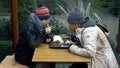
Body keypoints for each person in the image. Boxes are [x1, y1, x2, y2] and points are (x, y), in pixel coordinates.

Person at [15, 2, 55, 68]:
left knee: (52, 59)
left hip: (31, 52)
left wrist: (46, 39)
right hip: (24, 55)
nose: (47, 21)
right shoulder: (29, 27)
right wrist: (44, 33)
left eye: (48, 19)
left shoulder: (39, 24)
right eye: (45, 19)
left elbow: (38, 36)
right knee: (48, 60)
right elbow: (33, 44)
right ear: (39, 19)